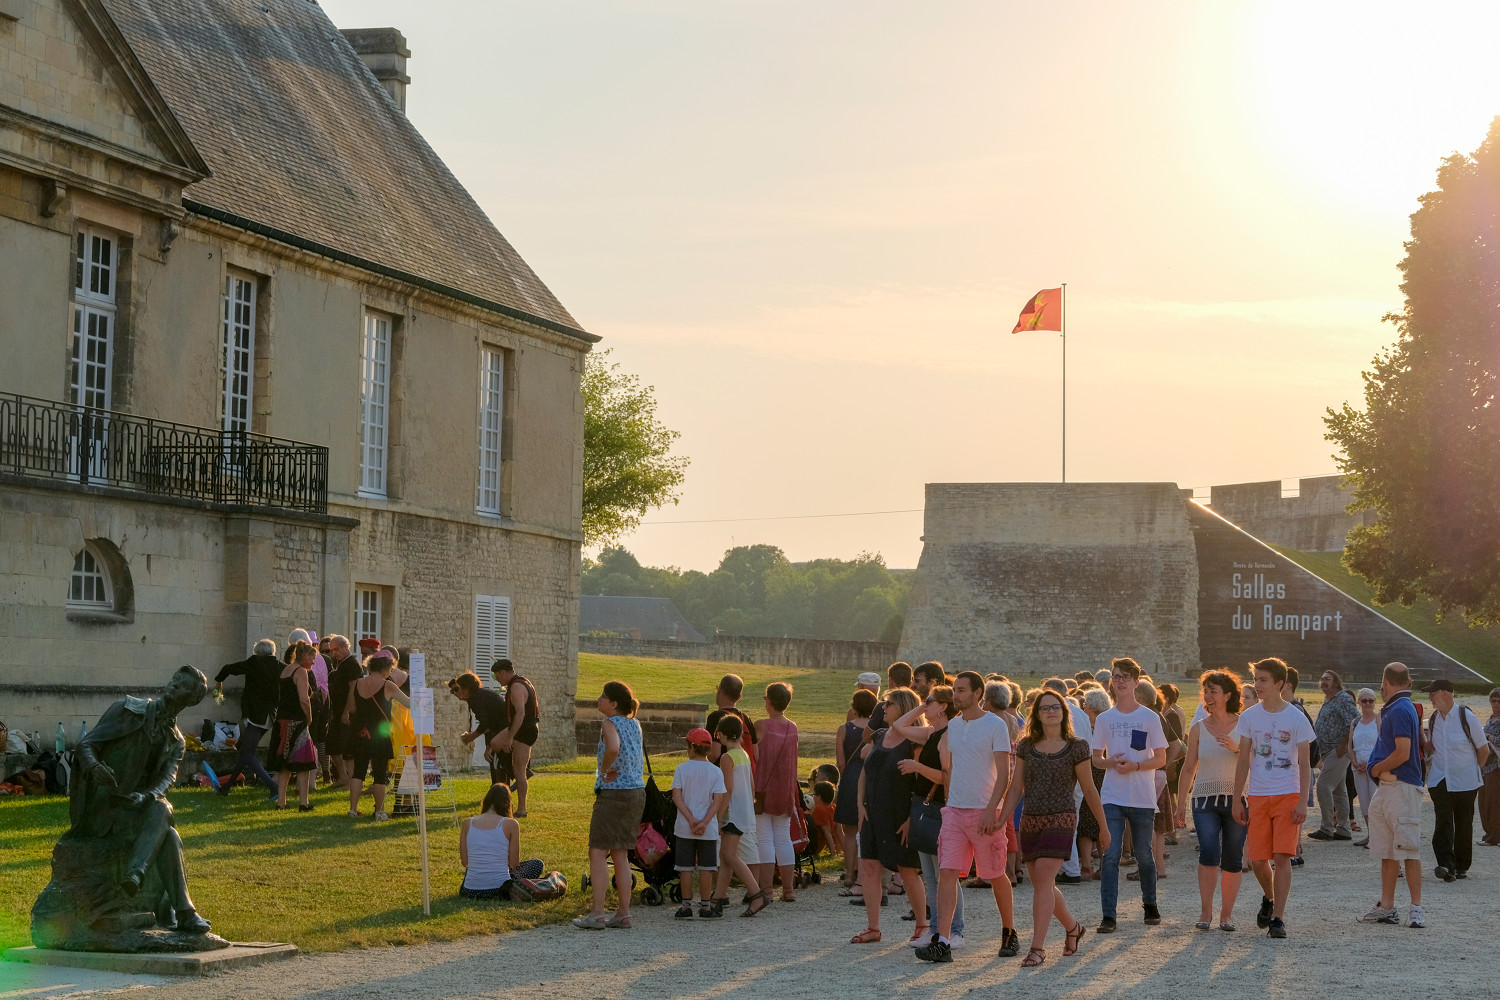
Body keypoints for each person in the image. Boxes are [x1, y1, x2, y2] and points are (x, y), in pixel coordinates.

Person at [997, 690, 1108, 967]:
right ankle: (1073, 928)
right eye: (1045, 708)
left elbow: (1089, 789)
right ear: (1036, 714)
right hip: (1032, 819)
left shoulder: (1077, 746)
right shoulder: (1025, 746)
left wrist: (1103, 827)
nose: (1051, 711)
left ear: (1064, 712)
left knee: (1044, 880)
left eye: (1056, 707)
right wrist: (1000, 819)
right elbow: (1016, 787)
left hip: (1062, 818)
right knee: (1043, 885)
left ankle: (1037, 948)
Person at [915, 670, 1019, 964]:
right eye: (954, 690)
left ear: (977, 693)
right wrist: (949, 802)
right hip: (955, 812)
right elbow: (951, 768)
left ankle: (1009, 932)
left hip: (984, 811)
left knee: (995, 874)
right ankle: (943, 940)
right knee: (946, 872)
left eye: (961, 690)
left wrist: (991, 810)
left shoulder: (995, 725)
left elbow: (1005, 774)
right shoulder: (954, 727)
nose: (956, 695)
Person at [1231, 656, 1313, 939]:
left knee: (1282, 857)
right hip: (1258, 795)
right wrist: (1236, 798)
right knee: (1256, 860)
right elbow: (1243, 761)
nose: (1258, 685)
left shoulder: (1296, 717)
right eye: (1256, 679)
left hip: (1287, 794)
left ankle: (1278, 919)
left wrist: (1303, 800)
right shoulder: (1250, 716)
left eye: (1263, 680)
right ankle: (1270, 898)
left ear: (1280, 683)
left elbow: (1305, 763)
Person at [1091, 657, 1168, 934]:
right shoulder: (1104, 718)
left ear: (1136, 681)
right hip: (1112, 795)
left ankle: (1150, 904)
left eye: (1125, 676)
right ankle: (1109, 915)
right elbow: (1096, 758)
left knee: (1144, 855)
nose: (1120, 681)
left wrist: (1136, 766)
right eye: (1116, 676)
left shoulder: (1149, 717)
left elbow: (1161, 758)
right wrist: (1111, 763)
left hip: (1141, 796)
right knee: (1110, 854)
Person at [850, 687, 927, 945]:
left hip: (900, 814)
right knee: (870, 867)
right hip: (873, 812)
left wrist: (911, 819)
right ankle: (873, 927)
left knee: (908, 871)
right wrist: (860, 804)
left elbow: (921, 784)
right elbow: (865, 771)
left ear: (903, 708)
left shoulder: (915, 742)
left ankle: (922, 925)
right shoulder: (880, 735)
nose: (883, 708)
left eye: (889, 704)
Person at [893, 685, 965, 948]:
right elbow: (900, 725)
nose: (925, 704)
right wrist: (924, 706)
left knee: (944, 874)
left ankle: (954, 930)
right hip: (924, 807)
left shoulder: (948, 736)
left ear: (943, 706)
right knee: (931, 876)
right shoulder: (933, 733)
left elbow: (948, 776)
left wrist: (917, 767)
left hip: (938, 808)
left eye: (930, 701)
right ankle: (937, 928)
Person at [1174, 669, 1246, 931]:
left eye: (1213, 691)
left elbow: (1256, 760)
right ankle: (1206, 913)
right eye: (1206, 691)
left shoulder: (1245, 725)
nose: (1207, 696)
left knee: (1233, 857)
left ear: (1227, 695)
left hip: (1238, 799)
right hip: (1204, 799)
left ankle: (1226, 915)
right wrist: (1180, 803)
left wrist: (1237, 748)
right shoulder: (1197, 728)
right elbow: (1189, 766)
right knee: (1208, 852)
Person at [574, 681, 646, 929]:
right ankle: (623, 913)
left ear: (614, 703)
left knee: (597, 851)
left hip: (614, 793)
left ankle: (597, 913)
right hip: (636, 792)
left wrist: (603, 771)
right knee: (621, 854)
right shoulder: (635, 724)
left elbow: (613, 747)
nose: (598, 699)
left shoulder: (609, 723)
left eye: (603, 696)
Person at [1358, 662, 1425, 928]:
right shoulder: (1399, 707)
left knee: (1409, 850)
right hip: (1390, 788)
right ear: (1407, 682)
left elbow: (1402, 753)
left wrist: (1375, 768)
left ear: (1385, 683)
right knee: (1388, 850)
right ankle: (1387, 906)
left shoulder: (1398, 709)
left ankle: (1416, 908)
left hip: (1401, 787)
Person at [1422, 678, 1490, 881]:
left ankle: (1461, 866)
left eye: (1432, 695)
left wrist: (1473, 770)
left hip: (1465, 781)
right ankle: (1445, 864)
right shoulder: (1434, 718)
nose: (1430, 699)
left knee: (1463, 823)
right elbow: (1433, 746)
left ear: (1444, 694)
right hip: (1440, 779)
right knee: (1443, 820)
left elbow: (1483, 750)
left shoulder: (1466, 717)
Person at [344, 652, 410, 821]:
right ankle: (379, 811)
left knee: (358, 772)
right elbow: (409, 703)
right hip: (380, 734)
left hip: (361, 732)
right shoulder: (388, 685)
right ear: (386, 668)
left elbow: (351, 708)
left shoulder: (358, 683)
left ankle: (352, 809)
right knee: (380, 773)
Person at [671, 728, 729, 918]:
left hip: (684, 827)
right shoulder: (716, 771)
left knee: (685, 868)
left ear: (691, 748)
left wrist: (691, 819)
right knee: (707, 867)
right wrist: (704, 822)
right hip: (708, 828)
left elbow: (677, 797)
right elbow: (717, 800)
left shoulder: (682, 769)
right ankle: (705, 906)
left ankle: (686, 906)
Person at [213, 639, 281, 799]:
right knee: (244, 752)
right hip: (270, 715)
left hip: (256, 714)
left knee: (247, 753)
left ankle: (273, 787)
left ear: (257, 653)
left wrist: (218, 685)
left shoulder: (254, 662)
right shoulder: (279, 665)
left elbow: (228, 668)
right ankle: (226, 787)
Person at [1042, 676, 1094, 884]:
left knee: (1060, 820)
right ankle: (1069, 866)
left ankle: (1069, 867)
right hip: (1081, 770)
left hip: (1064, 773)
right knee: (1072, 820)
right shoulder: (1080, 713)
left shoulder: (1060, 714)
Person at [754, 682, 801, 901]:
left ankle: (767, 890)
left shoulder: (761, 725)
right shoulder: (793, 727)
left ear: (769, 701)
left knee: (764, 839)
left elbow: (754, 756)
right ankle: (788, 890)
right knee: (783, 838)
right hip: (785, 789)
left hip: (763, 789)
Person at [459, 783, 544, 899]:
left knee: (474, 870)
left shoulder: (467, 823)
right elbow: (514, 863)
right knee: (536, 864)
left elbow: (465, 862)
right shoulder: (511, 824)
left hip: (469, 890)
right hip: (500, 889)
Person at [1308, 670, 1360, 842]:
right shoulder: (1329, 699)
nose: (1323, 682)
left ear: (1336, 682)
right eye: (1322, 679)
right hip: (1328, 750)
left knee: (1323, 786)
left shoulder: (1343, 698)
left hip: (1337, 750)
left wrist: (1344, 744)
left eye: (1327, 679)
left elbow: (1355, 721)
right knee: (1339, 790)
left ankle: (1327, 827)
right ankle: (1344, 829)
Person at [267, 640, 318, 811]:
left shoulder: (286, 670)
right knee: (304, 762)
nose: (313, 662)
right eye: (312, 658)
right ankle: (303, 802)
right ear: (305, 656)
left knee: (284, 763)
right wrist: (309, 718)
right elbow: (304, 699)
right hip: (297, 720)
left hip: (282, 720)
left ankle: (281, 802)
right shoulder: (301, 672)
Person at [835, 689, 877, 894]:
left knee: (849, 831)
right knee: (866, 830)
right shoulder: (877, 730)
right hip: (869, 778)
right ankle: (863, 873)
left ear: (854, 706)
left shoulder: (844, 728)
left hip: (850, 778)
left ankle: (849, 874)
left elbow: (840, 763)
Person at [491, 659, 540, 817]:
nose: (497, 680)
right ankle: (503, 784)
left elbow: (521, 714)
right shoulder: (520, 682)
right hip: (518, 727)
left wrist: (510, 737)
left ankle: (521, 809)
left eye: (497, 677)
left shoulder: (517, 687)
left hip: (524, 731)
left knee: (519, 770)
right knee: (494, 744)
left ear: (503, 673)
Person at [1076, 687, 1112, 879]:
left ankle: (1087, 866)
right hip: (1106, 772)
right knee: (1102, 817)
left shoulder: (1085, 726)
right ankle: (1104, 864)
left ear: (1089, 706)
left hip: (1090, 771)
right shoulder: (1109, 723)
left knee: (1086, 818)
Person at [450, 671, 509, 784]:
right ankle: (498, 790)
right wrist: (488, 746)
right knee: (496, 763)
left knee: (499, 766)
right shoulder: (478, 696)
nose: (458, 692)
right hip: (500, 730)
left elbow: (486, 724)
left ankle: (500, 792)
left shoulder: (477, 698)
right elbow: (489, 723)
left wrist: (471, 737)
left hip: (504, 731)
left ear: (467, 687)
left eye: (459, 688)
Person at [324, 635, 361, 790]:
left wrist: (347, 711)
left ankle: (352, 781)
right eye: (332, 650)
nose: (334, 653)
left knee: (348, 748)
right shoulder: (339, 663)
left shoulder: (352, 664)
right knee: (332, 744)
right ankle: (343, 777)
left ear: (345, 646)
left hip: (347, 713)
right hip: (337, 712)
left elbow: (353, 689)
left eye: (336, 649)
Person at [1349, 688, 1381, 847]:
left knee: (1375, 802)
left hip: (1374, 767)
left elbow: (1383, 744)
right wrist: (1354, 762)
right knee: (1364, 802)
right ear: (1359, 703)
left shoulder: (1379, 720)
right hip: (1358, 768)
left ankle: (1377, 837)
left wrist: (1370, 764)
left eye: (1371, 700)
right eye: (1364, 700)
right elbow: (1350, 746)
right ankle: (1371, 834)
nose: (1368, 703)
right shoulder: (1355, 722)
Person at [706, 673, 758, 766]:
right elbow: (756, 754)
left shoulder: (716, 717)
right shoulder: (745, 718)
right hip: (744, 773)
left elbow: (714, 754)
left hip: (722, 773)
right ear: (739, 697)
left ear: (719, 691)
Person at [1480, 688, 1500, 846]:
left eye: (1499, 701)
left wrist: (1488, 736)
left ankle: (1495, 836)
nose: (1496, 704)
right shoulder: (1490, 719)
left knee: (1494, 802)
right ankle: (1489, 833)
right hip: (1486, 765)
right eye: (1493, 701)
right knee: (1484, 801)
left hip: (1496, 766)